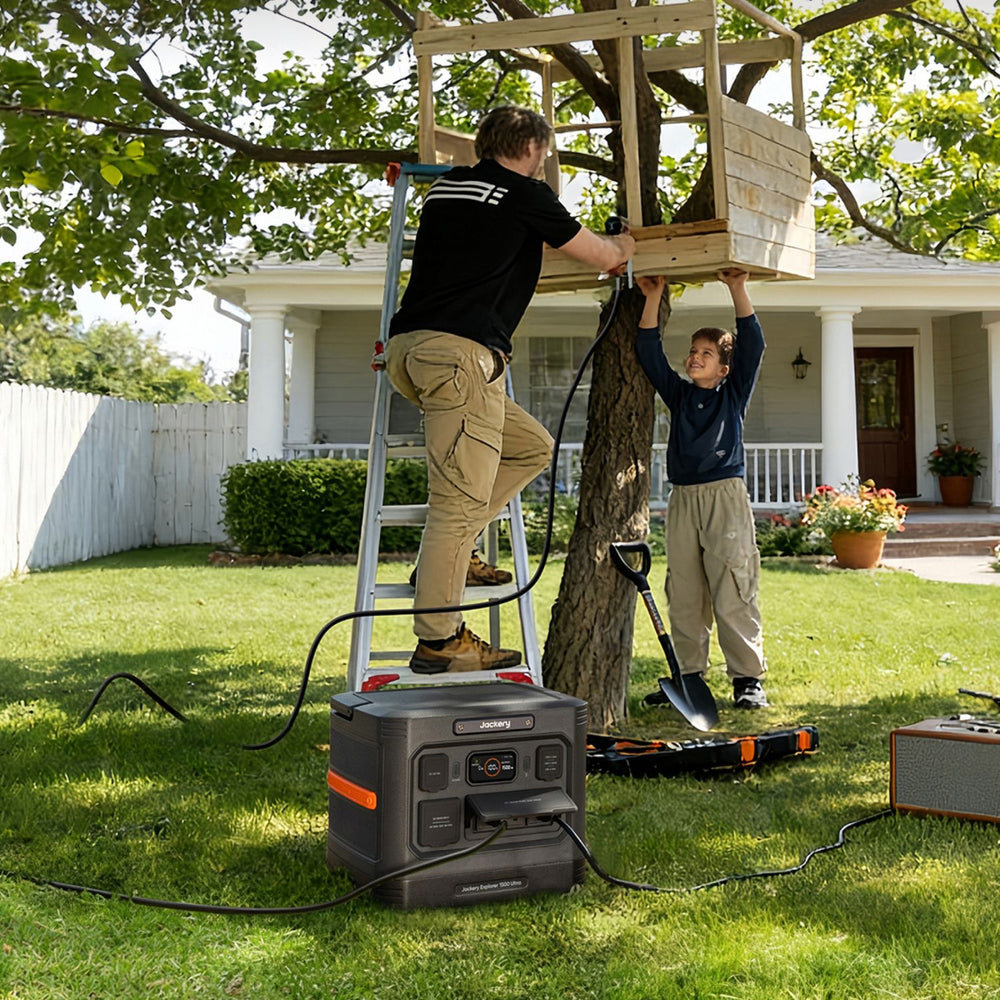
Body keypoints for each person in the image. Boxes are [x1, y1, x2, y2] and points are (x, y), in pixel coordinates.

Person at [385, 105, 636, 674]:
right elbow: (601, 257)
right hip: (460, 356)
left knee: (530, 447)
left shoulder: (449, 188)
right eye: (544, 154)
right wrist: (625, 247)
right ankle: (439, 641)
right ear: (530, 149)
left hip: (413, 349)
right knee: (458, 502)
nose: (544, 163)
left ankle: (447, 565)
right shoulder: (524, 194)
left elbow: (491, 241)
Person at [633, 270, 768, 708]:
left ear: (723, 368)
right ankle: (690, 676)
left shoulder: (733, 394)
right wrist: (653, 296)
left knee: (732, 586)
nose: (695, 358)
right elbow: (649, 352)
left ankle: (748, 681)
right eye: (693, 351)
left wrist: (736, 288)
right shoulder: (679, 395)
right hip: (684, 499)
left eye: (706, 354)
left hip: (724, 495)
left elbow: (754, 346)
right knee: (685, 590)